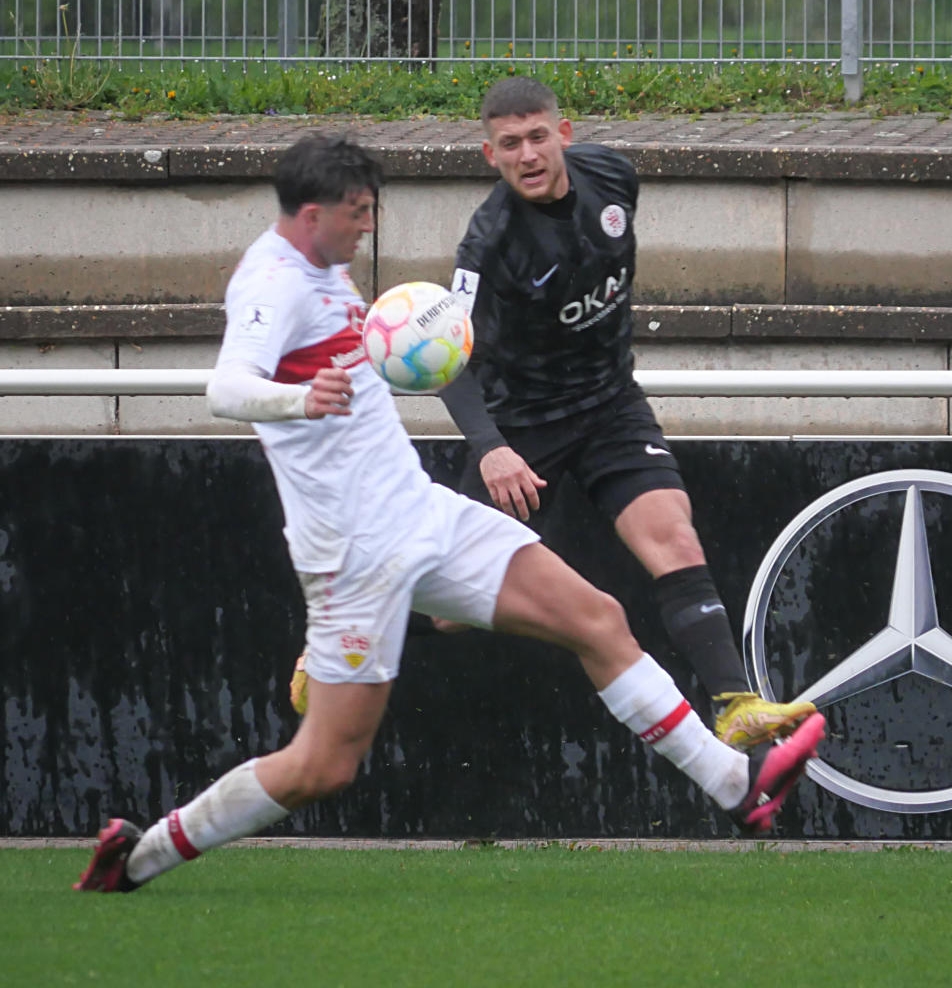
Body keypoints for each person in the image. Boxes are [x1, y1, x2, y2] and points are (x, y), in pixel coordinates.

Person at [74, 134, 826, 893]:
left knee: (597, 619)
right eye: (357, 214)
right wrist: (299, 399)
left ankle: (735, 784)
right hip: (354, 554)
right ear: (312, 214)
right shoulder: (273, 284)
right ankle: (142, 856)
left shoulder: (326, 270)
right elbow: (225, 389)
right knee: (323, 766)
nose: (367, 227)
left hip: (421, 513)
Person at [431, 75, 814, 751]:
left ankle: (734, 704)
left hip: (610, 406)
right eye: (510, 144)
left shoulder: (614, 177)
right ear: (490, 155)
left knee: (673, 535)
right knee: (453, 616)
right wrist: (491, 446)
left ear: (565, 134)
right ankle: (351, 620)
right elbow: (446, 358)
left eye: (538, 137)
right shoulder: (488, 244)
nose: (528, 154)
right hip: (523, 427)